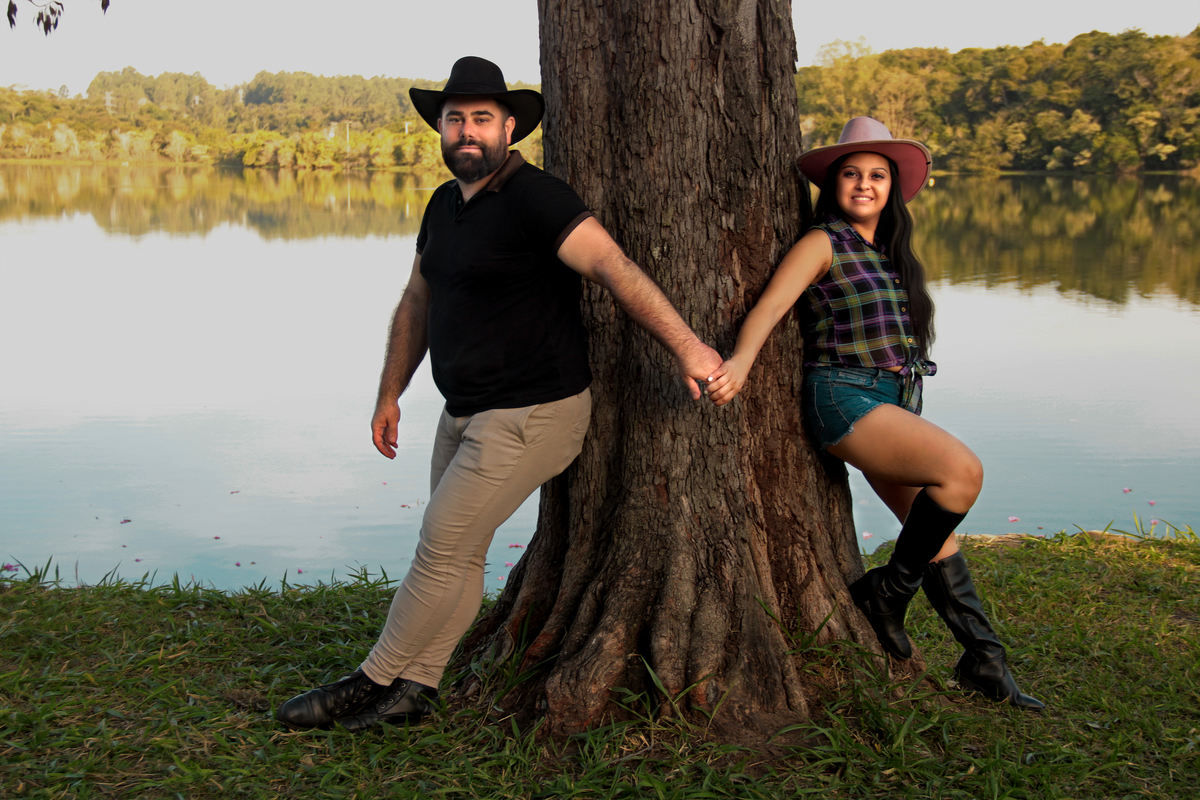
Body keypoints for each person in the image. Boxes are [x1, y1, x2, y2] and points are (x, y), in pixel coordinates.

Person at [274, 57, 722, 733]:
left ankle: (367, 683)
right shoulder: (443, 205)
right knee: (460, 552)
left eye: (481, 118)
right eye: (455, 119)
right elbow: (417, 299)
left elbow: (612, 266)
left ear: (509, 127)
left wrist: (687, 345)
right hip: (463, 412)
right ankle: (415, 691)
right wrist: (389, 393)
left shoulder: (537, 198)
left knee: (439, 544)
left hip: (533, 414)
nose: (466, 131)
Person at [706, 117, 1043, 711]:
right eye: (852, 174)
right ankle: (887, 594)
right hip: (844, 396)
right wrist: (740, 360)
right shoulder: (823, 241)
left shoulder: (886, 252)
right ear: (833, 184)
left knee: (933, 535)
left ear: (892, 188)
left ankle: (985, 659)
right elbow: (771, 307)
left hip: (893, 400)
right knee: (962, 473)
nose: (864, 184)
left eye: (877, 176)